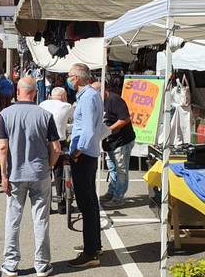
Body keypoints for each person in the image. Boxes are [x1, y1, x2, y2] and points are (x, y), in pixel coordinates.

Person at [0, 77, 61, 277]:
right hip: (39, 172)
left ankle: (11, 264)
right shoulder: (45, 115)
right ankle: (42, 265)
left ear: (18, 91)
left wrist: (3, 175)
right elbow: (56, 148)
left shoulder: (5, 114)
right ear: (35, 93)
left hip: (15, 174)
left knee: (13, 219)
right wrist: (48, 166)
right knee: (40, 219)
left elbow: (2, 146)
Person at [66, 63, 104, 268]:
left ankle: (91, 252)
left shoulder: (88, 97)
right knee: (90, 203)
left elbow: (88, 130)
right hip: (88, 154)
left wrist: (76, 152)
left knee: (86, 204)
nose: (68, 79)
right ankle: (93, 245)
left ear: (78, 78)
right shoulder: (90, 95)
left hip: (84, 155)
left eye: (70, 76)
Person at [101, 82, 136, 208]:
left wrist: (108, 130)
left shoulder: (114, 100)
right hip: (109, 142)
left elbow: (125, 119)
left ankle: (118, 197)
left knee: (121, 170)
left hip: (122, 140)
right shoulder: (99, 101)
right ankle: (112, 192)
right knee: (112, 168)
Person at [39, 87, 72, 214]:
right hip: (58, 140)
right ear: (64, 97)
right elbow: (73, 120)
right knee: (58, 171)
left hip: (43, 140)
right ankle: (61, 205)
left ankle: (46, 204)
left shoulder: (42, 104)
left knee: (46, 171)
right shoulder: (67, 106)